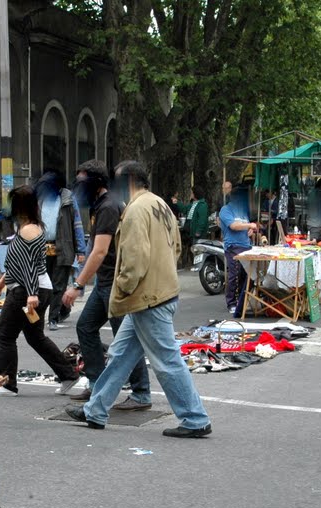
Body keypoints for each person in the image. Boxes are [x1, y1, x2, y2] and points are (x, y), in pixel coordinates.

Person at [65, 161, 212, 437]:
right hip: (158, 292)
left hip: (147, 297)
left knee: (166, 360)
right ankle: (95, 411)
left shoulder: (134, 211)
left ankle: (194, 418)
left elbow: (133, 263)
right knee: (120, 355)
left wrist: (120, 291)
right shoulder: (160, 204)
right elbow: (177, 247)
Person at [62, 160, 151, 410]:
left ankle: (141, 393)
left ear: (97, 183)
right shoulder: (100, 204)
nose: (79, 188)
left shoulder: (109, 207)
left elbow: (100, 252)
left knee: (126, 341)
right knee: (86, 327)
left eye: (83, 182)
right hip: (104, 282)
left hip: (114, 283)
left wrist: (77, 284)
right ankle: (96, 383)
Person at [0, 186, 80, 395]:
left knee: (5, 335)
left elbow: (30, 265)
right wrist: (3, 281)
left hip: (27, 290)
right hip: (36, 287)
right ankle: (68, 374)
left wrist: (31, 294)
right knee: (35, 337)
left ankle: (7, 384)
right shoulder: (32, 226)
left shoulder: (28, 229)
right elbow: (21, 263)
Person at [35, 170, 82, 330]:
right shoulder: (39, 199)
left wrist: (81, 250)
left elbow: (77, 224)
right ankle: (61, 309)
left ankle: (52, 318)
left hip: (63, 246)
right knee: (43, 285)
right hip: (42, 248)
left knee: (58, 285)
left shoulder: (68, 198)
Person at [219, 185, 258, 313]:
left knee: (246, 275)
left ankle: (242, 301)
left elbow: (246, 226)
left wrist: (250, 230)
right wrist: (249, 225)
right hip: (233, 246)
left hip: (246, 246)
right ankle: (232, 303)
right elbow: (234, 226)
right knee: (234, 275)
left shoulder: (243, 211)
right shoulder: (226, 210)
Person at [183, 185, 209, 263]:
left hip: (197, 233)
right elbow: (184, 209)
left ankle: (199, 265)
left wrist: (198, 231)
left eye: (192, 193)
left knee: (198, 250)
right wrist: (177, 203)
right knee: (194, 249)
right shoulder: (193, 204)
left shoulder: (202, 205)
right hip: (191, 231)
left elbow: (202, 219)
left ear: (195, 194)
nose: (190, 194)